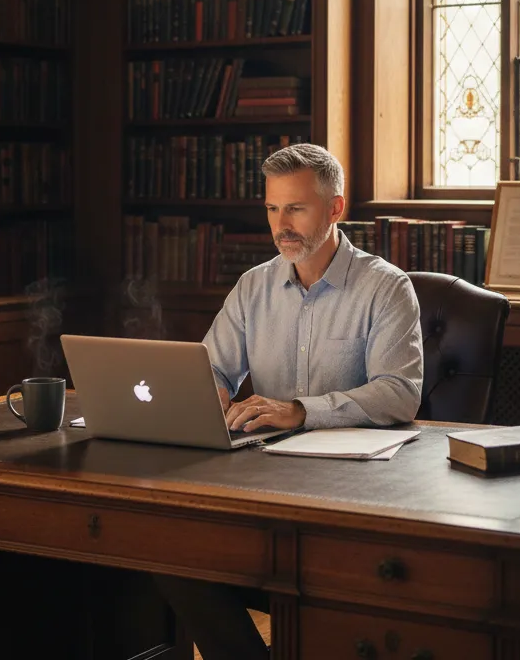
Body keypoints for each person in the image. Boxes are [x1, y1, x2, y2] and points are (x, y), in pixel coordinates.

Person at [155, 143, 423, 660]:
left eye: (296, 208)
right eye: (273, 209)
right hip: (260, 484)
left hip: (352, 494)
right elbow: (211, 367)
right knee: (169, 552)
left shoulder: (386, 288)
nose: (282, 225)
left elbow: (400, 392)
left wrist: (300, 410)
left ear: (335, 209)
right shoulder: (253, 286)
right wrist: (203, 396)